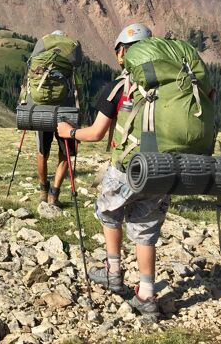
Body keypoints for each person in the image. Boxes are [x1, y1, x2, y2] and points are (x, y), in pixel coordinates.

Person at [56, 22, 164, 318]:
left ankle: (113, 272)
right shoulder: (171, 86)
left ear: (122, 54)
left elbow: (95, 133)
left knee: (108, 211)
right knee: (145, 230)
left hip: (127, 166)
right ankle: (146, 294)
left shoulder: (120, 86)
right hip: (164, 168)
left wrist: (69, 132)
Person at [30, 30, 79, 207]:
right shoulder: (70, 57)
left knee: (42, 151)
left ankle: (43, 190)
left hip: (42, 108)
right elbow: (77, 86)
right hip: (65, 110)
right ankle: (54, 194)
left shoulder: (40, 54)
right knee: (65, 154)